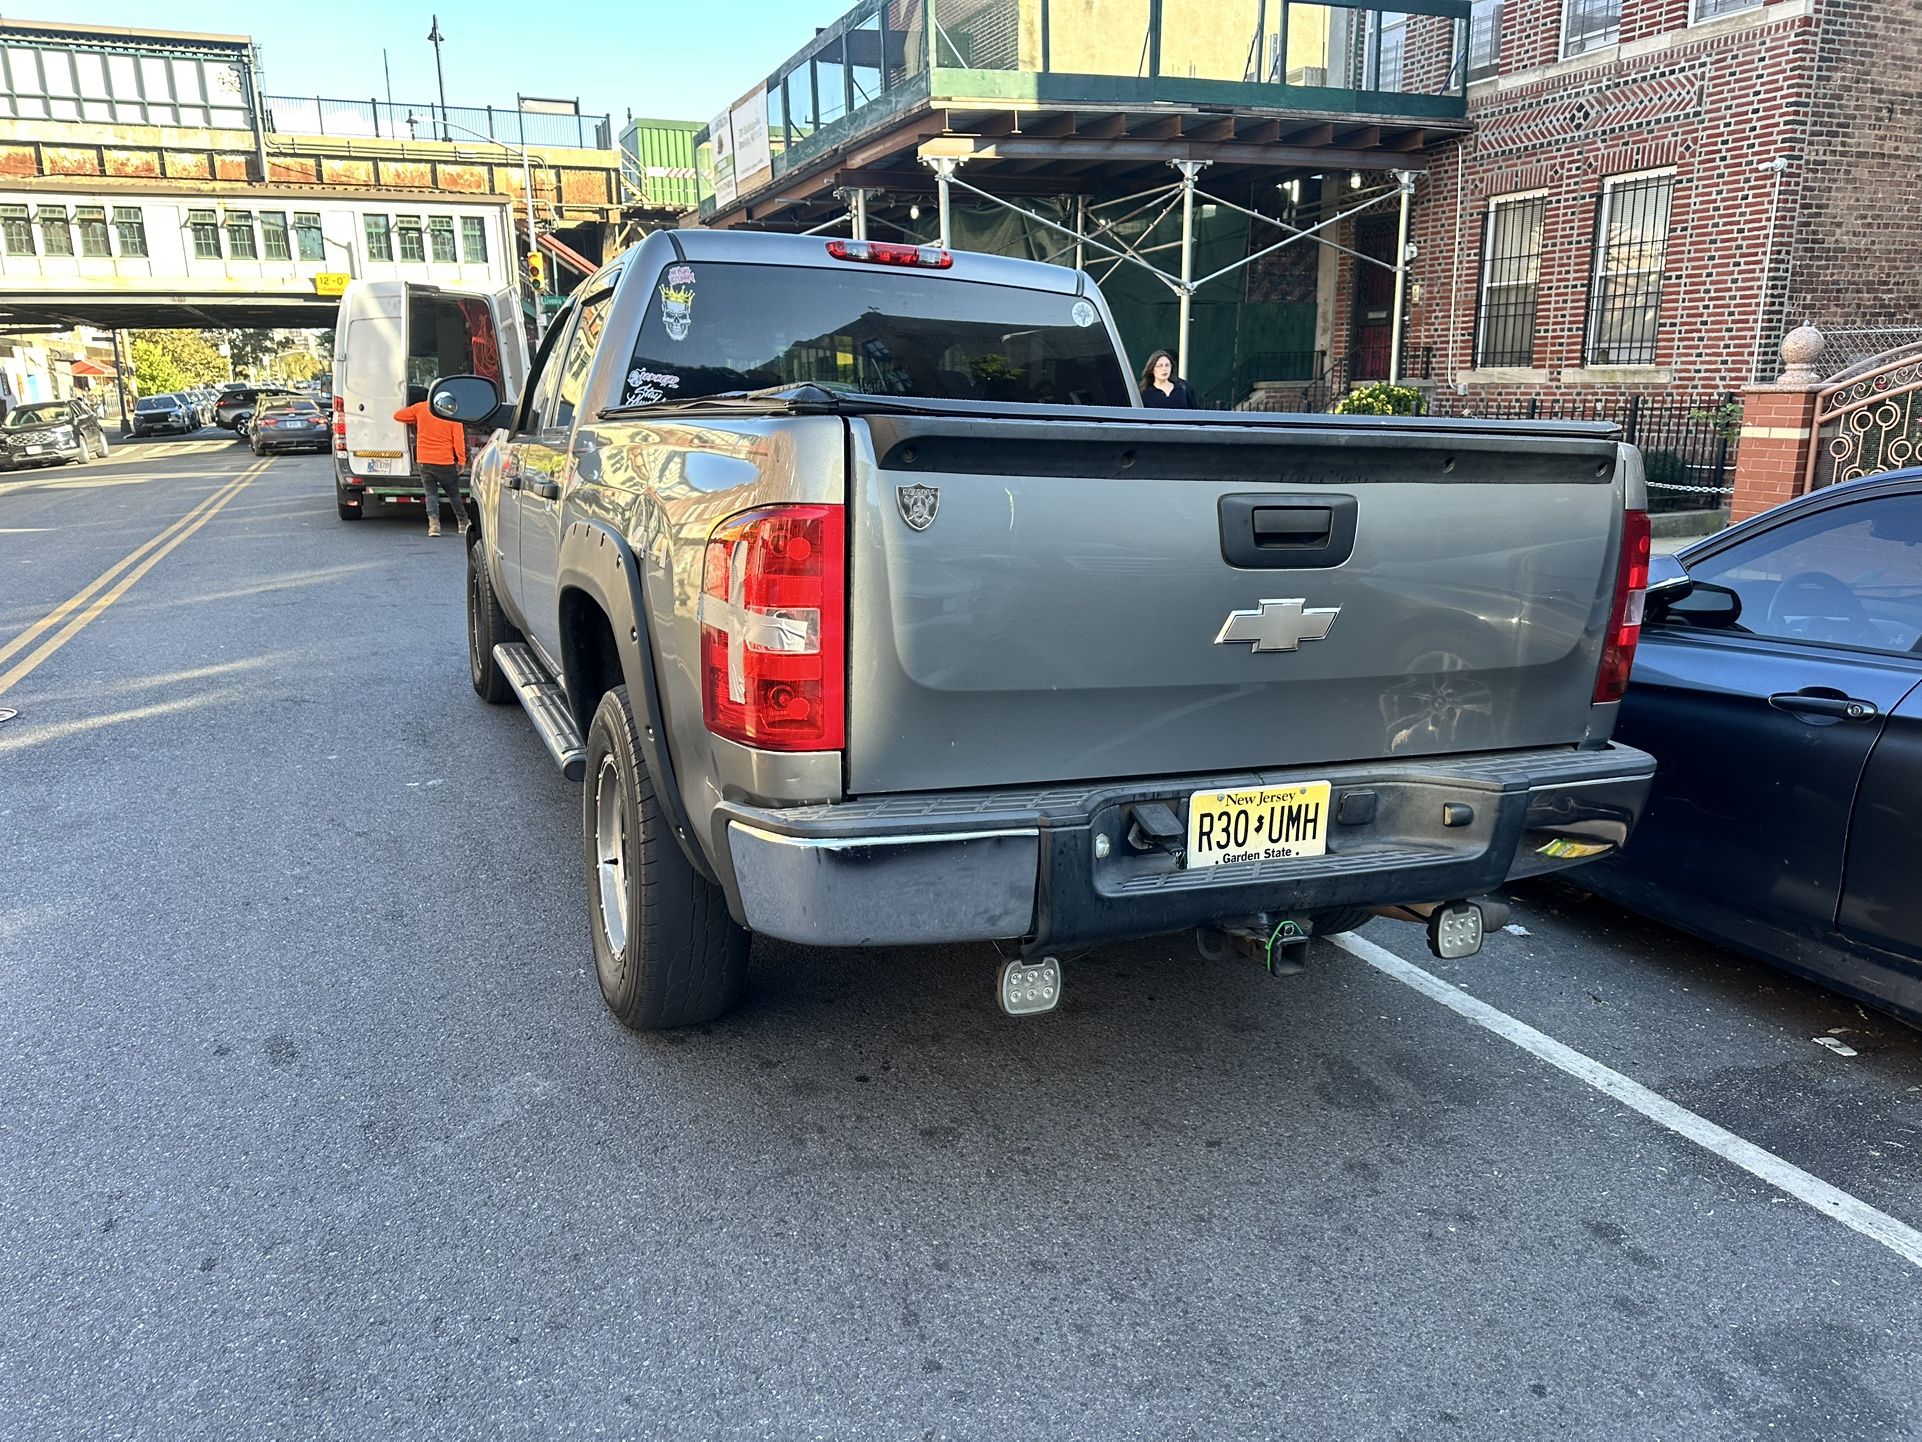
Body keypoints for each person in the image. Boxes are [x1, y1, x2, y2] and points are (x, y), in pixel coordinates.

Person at [392, 392, 469, 537]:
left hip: (425, 461)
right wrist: (462, 461)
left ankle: (434, 525)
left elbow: (398, 415)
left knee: (431, 494)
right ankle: (463, 522)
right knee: (453, 494)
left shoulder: (421, 408)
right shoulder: (453, 414)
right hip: (445, 461)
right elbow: (459, 440)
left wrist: (416, 419)